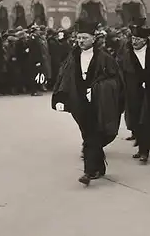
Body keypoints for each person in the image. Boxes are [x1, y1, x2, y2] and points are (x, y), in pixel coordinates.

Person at [52, 20, 125, 186]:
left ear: (93, 38)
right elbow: (64, 78)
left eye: (84, 37)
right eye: (78, 37)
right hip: (79, 102)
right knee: (88, 133)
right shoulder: (72, 57)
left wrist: (98, 89)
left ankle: (89, 171)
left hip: (98, 103)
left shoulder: (105, 58)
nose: (81, 41)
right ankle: (99, 167)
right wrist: (61, 99)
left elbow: (115, 80)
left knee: (92, 134)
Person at [119, 21, 150, 164]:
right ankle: (141, 146)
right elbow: (121, 71)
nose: (135, 42)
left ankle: (145, 151)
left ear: (145, 40)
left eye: (138, 40)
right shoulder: (126, 54)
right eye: (133, 39)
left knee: (146, 121)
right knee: (135, 121)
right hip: (132, 91)